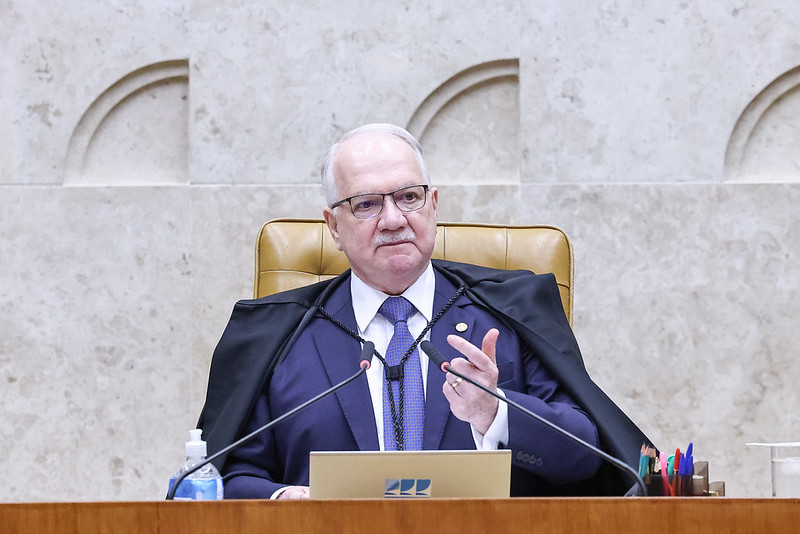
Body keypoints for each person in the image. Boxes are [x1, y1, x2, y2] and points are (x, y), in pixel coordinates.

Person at [198, 123, 654, 499]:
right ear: (334, 226)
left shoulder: (508, 313)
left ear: (433, 205)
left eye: (409, 197)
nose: (394, 219)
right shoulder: (280, 335)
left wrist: (497, 413)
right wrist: (281, 501)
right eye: (367, 204)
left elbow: (585, 456)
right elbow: (225, 476)